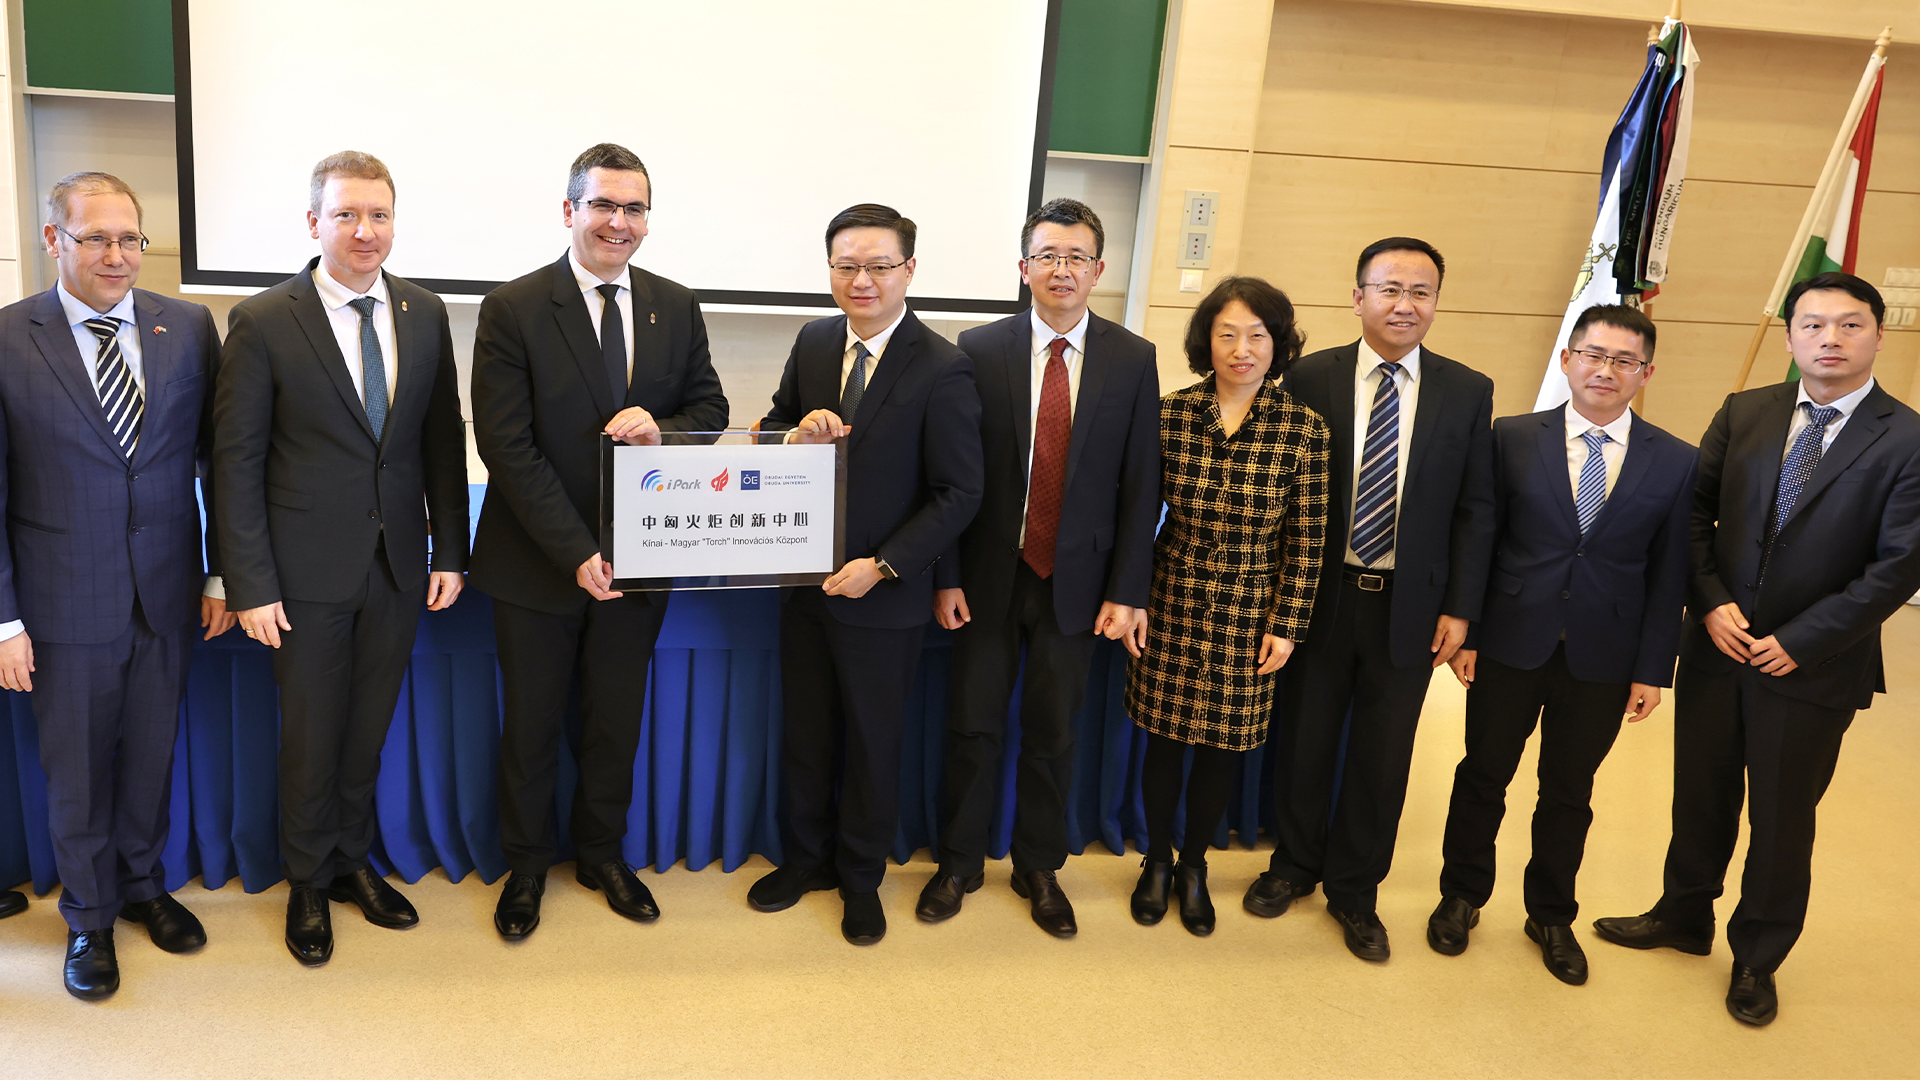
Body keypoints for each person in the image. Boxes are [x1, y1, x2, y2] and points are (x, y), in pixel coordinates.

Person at [1594, 272, 1920, 1026]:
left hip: (1813, 665)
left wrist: (1801, 640)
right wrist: (1709, 604)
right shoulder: (1746, 411)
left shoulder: (1906, 438)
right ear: (1789, 336)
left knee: (1780, 818)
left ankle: (1757, 957)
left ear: (1877, 334)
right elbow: (1695, 517)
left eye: (1847, 326)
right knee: (1700, 795)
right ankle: (1683, 915)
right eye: (1812, 325)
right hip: (1717, 646)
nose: (1828, 340)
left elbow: (1899, 563)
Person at [214, 152, 470, 967]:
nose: (366, 232)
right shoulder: (263, 319)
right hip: (301, 578)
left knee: (367, 732)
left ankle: (351, 863)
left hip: (398, 566)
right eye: (348, 215)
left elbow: (440, 444)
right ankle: (306, 883)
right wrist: (248, 582)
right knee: (311, 736)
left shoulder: (425, 313)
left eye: (380, 216)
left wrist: (451, 553)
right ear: (313, 222)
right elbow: (236, 462)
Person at [469, 142, 728, 941]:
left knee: (615, 720)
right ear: (570, 210)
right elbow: (507, 449)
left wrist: (666, 428)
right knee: (534, 724)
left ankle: (603, 854)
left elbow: (710, 411)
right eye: (604, 205)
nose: (620, 222)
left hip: (646, 559)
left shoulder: (675, 305)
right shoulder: (512, 307)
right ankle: (524, 866)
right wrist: (577, 551)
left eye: (635, 208)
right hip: (540, 563)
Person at [0, 172, 232, 998]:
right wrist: (4, 623)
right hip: (60, 604)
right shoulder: (6, 336)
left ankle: (141, 886)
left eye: (129, 237)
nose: (116, 254)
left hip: (168, 592)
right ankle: (89, 919)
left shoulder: (189, 327)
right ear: (54, 240)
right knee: (78, 770)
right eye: (94, 236)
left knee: (151, 757)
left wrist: (218, 572)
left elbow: (218, 462)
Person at [1245, 236, 1496, 961]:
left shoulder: (1466, 389)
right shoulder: (1310, 378)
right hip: (1319, 597)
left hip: (1410, 607)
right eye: (1389, 288)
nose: (1404, 304)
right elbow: (1282, 498)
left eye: (1420, 292)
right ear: (1357, 298)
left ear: (1436, 304)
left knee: (1383, 757)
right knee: (1305, 741)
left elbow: (1475, 509)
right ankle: (1294, 865)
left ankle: (1356, 891)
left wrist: (1460, 609)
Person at [1431, 304, 1696, 985]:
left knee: (1569, 791)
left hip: (1604, 657)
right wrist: (1470, 632)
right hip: (1509, 642)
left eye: (1624, 360)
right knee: (1483, 774)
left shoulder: (1676, 461)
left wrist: (1653, 668)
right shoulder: (1512, 438)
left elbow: (1670, 576)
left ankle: (1550, 912)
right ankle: (1461, 895)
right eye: (1594, 355)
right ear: (1567, 360)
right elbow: (1483, 544)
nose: (1606, 370)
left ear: (1646, 373)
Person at [918, 198, 1160, 938]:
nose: (1062, 269)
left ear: (1100, 270)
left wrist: (1127, 589)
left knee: (1054, 731)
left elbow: (1139, 485)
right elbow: (952, 479)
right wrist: (947, 575)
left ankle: (1038, 865)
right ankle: (959, 861)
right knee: (973, 725)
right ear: (1023, 267)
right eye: (1048, 255)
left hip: (1079, 585)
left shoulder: (1132, 357)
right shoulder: (978, 349)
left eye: (1077, 256)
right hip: (988, 577)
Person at [751, 203, 983, 946]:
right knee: (806, 732)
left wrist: (882, 567)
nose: (862, 280)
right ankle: (807, 859)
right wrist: (794, 432)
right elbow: (774, 424)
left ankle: (859, 878)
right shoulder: (815, 339)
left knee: (873, 741)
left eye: (880, 265)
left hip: (883, 597)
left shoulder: (945, 366)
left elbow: (960, 492)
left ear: (909, 271)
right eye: (846, 265)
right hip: (802, 582)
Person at [1125, 276, 1327, 936]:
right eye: (1227, 334)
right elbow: (1134, 518)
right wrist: (1132, 600)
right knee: (1163, 740)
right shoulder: (1168, 414)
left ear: (1279, 345)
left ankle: (1194, 865)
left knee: (1221, 746)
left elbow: (1308, 537)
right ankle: (1155, 860)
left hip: (1252, 611)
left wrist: (1289, 626)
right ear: (1205, 341)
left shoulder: (1303, 429)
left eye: (1258, 335)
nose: (1242, 349)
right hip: (1172, 598)